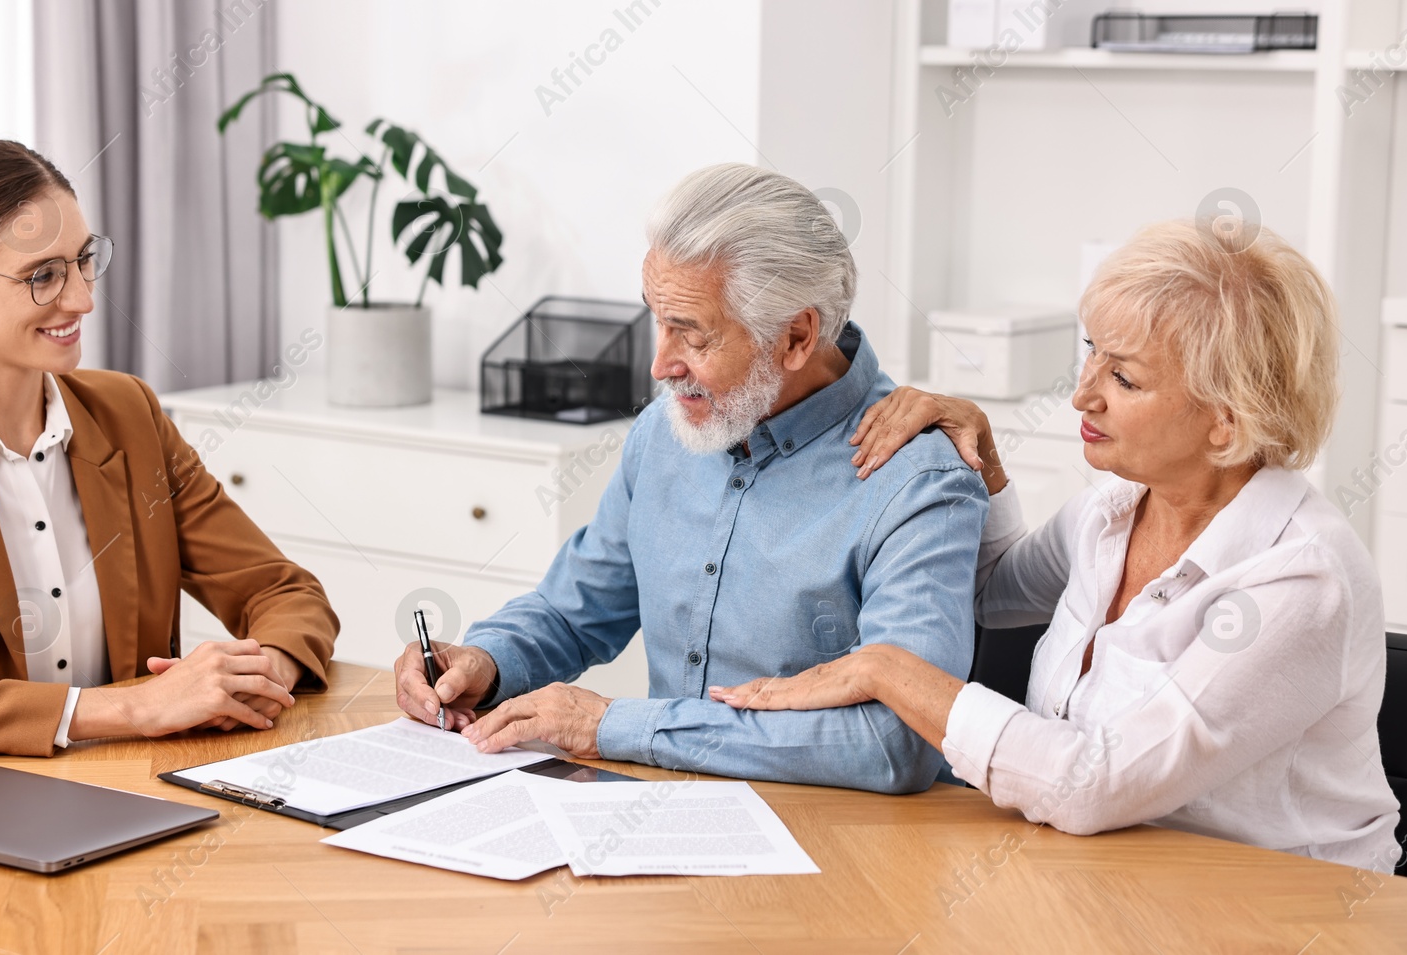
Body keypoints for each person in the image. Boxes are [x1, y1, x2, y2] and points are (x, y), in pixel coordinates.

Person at [710, 217, 1401, 870]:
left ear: (1226, 420)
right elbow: (992, 589)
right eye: (1090, 353)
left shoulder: (1301, 580)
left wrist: (885, 668)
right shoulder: (1117, 507)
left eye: (1123, 377)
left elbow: (1095, 783)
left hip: (1280, 915)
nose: (1081, 395)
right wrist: (981, 451)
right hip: (1108, 879)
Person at [394, 163, 988, 794]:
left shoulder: (919, 481)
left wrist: (615, 728)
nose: (660, 365)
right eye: (658, 319)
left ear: (795, 336)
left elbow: (898, 741)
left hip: (838, 848)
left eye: (692, 335)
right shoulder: (665, 433)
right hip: (656, 822)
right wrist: (483, 662)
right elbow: (574, 612)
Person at [0, 139, 340, 759]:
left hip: (134, 795)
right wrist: (127, 708)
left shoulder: (129, 415)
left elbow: (284, 593)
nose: (82, 299)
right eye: (42, 275)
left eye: (83, 260)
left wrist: (266, 675)